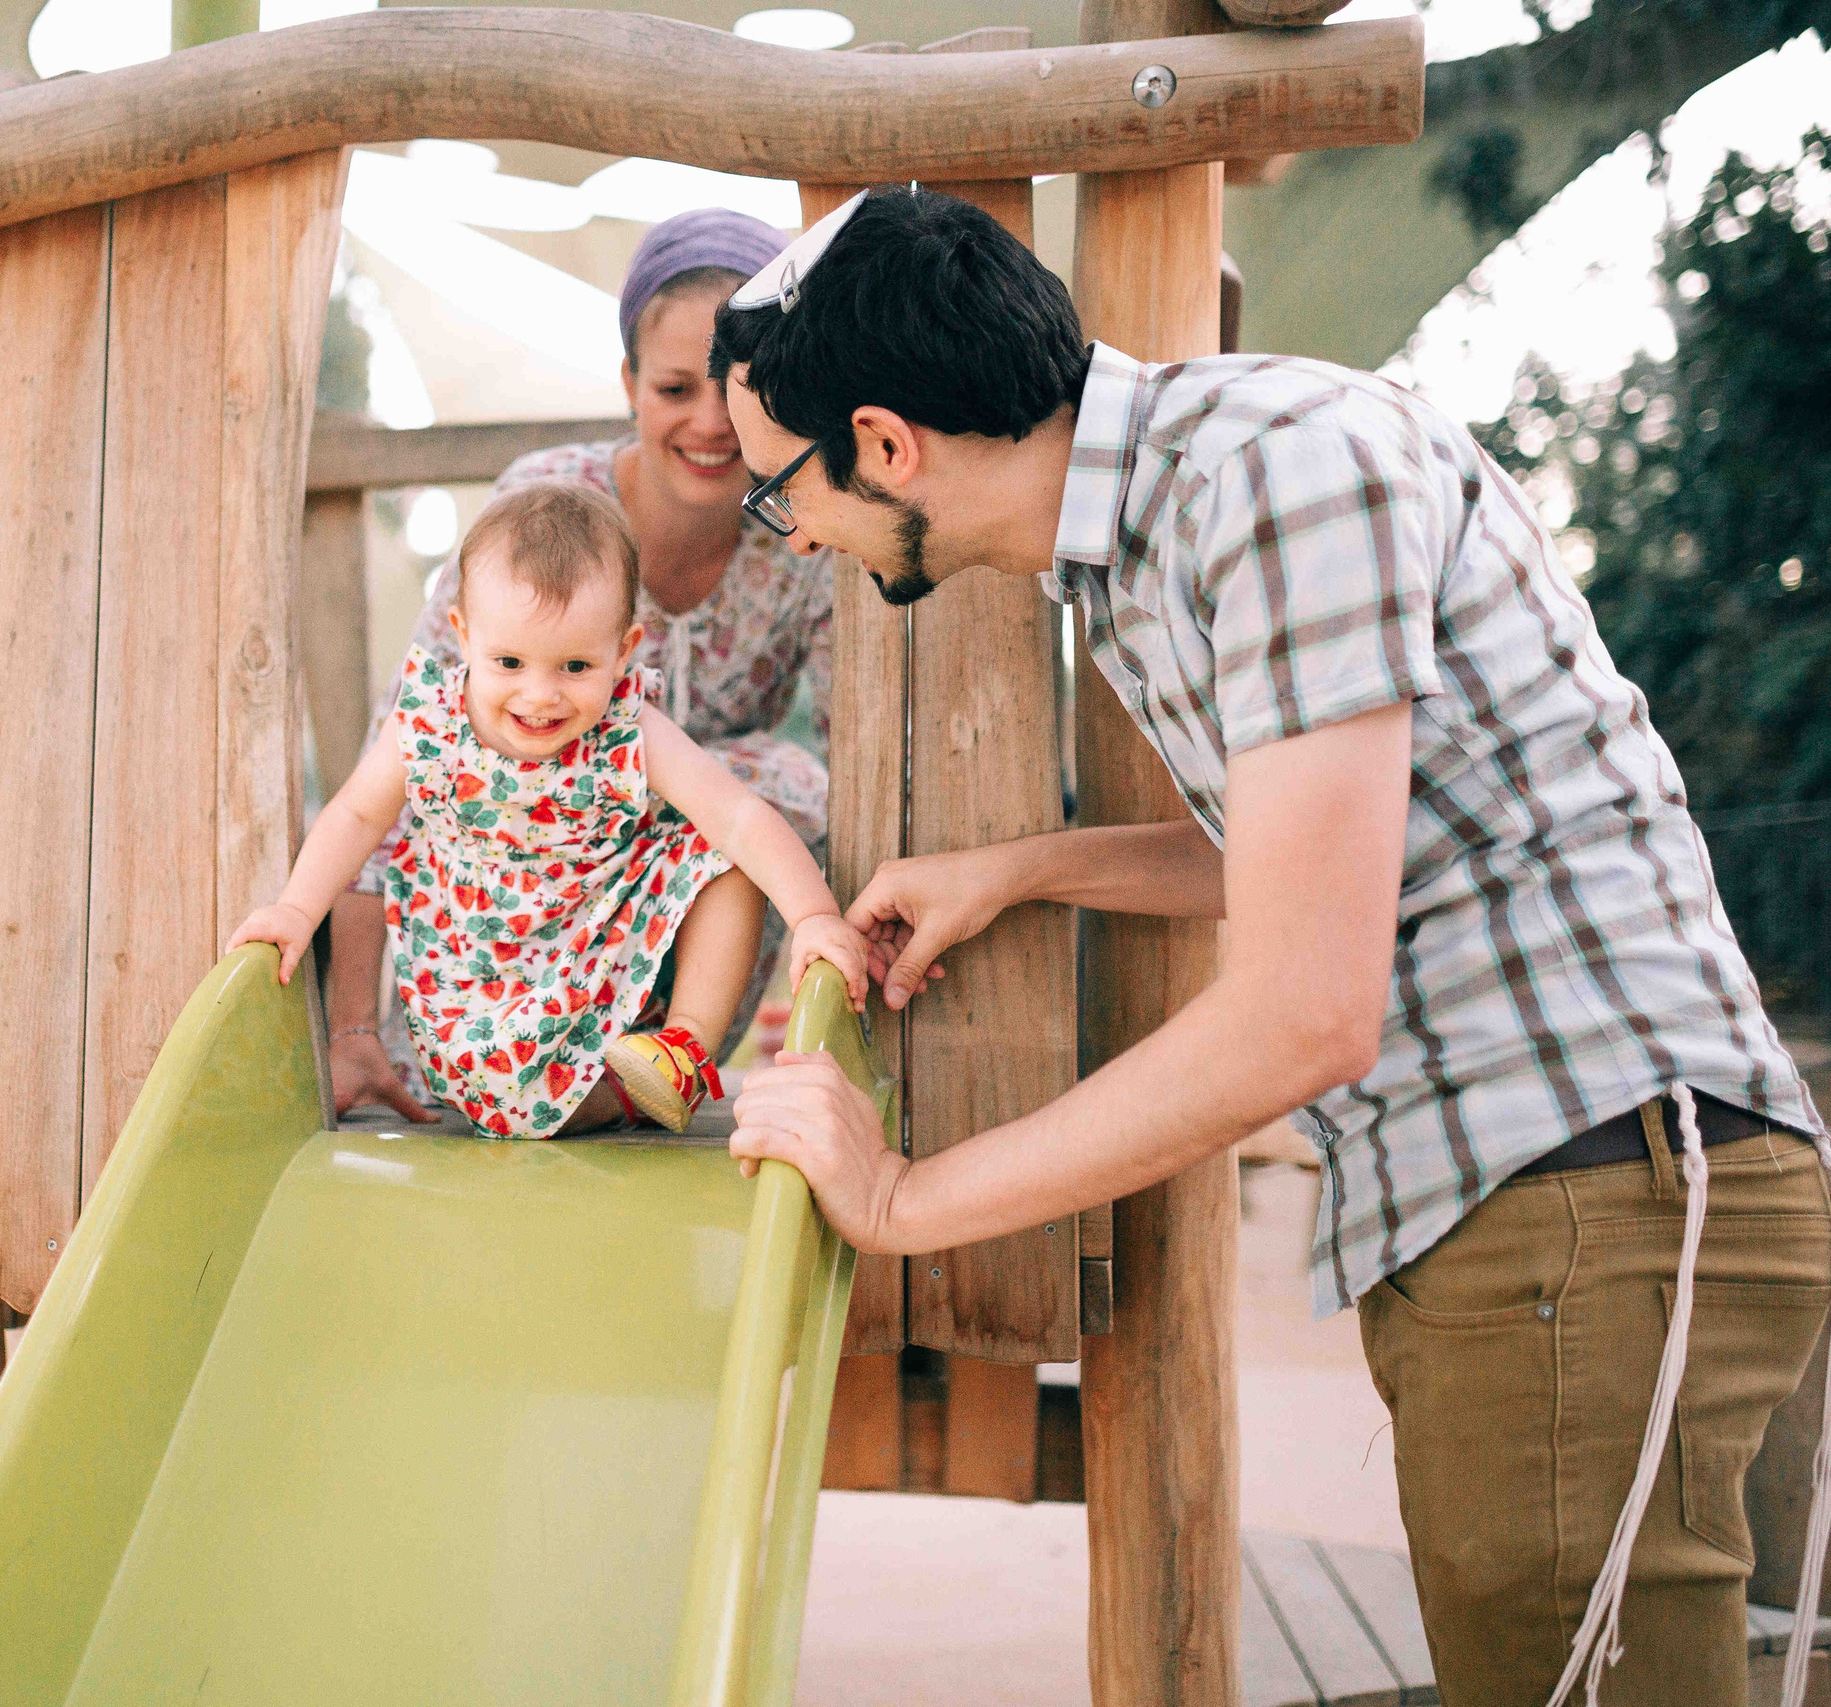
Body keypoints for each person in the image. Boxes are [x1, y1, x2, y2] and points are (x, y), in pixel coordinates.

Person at [712, 187, 1828, 1707]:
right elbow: (1340, 851)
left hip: (1583, 1181)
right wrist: (1028, 871)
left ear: (885, 443)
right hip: (1536, 1196)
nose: (796, 531)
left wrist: (904, 1196)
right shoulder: (1151, 531)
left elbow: (1308, 1005)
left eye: (782, 489)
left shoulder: (1277, 474)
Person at [326, 207, 835, 1124]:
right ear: (630, 382)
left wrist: (834, 935)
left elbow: (857, 763)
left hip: (656, 916)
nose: (711, 420)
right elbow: (393, 771)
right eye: (675, 387)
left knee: (782, 785)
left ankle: (665, 1057)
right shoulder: (545, 516)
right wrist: (352, 1025)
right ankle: (474, 1061)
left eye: (739, 387)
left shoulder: (809, 535)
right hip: (504, 921)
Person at [233, 483, 865, 1136]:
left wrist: (814, 916)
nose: (540, 696)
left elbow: (738, 816)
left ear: (624, 651)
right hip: (475, 977)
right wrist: (296, 910)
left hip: (597, 957)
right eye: (509, 662)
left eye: (575, 666)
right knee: (518, 1108)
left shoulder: (626, 725)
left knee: (727, 856)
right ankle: (617, 1097)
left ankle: (681, 1048)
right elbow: (356, 817)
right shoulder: (431, 720)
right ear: (463, 637)